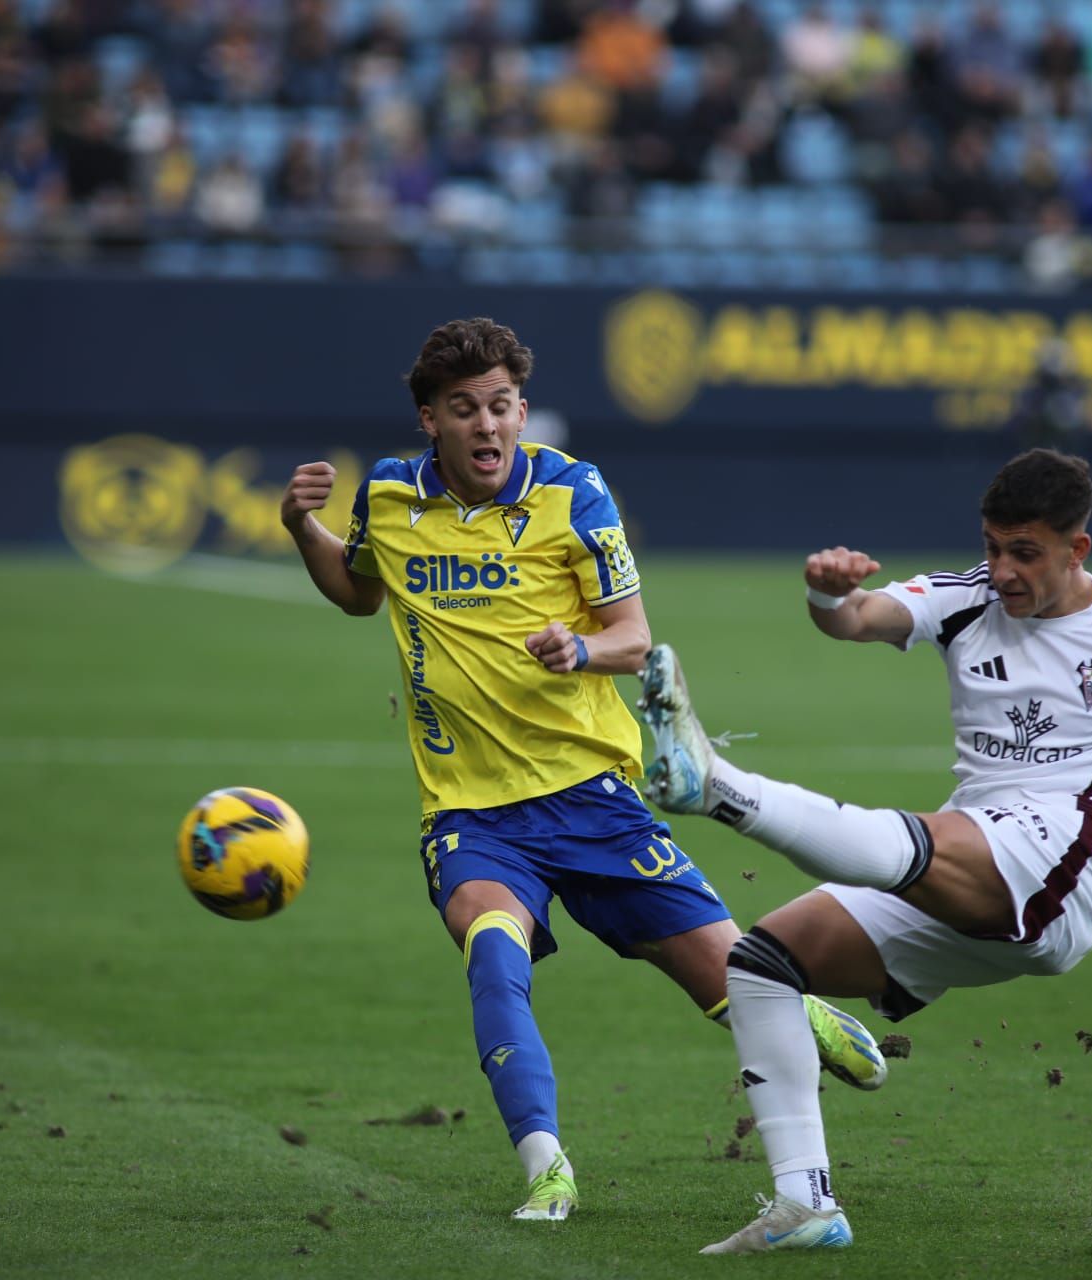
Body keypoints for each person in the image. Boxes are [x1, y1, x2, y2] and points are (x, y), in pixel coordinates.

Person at [277, 317, 887, 1222]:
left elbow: (634, 636)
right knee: (493, 955)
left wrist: (580, 651)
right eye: (463, 410)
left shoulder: (572, 490)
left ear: (522, 410)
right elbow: (359, 593)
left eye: (500, 407)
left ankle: (804, 1016)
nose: (486, 427)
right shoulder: (391, 495)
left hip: (594, 795)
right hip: (471, 813)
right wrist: (302, 528)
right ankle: (546, 1165)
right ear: (428, 420)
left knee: (733, 986)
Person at [636, 448, 1092, 1253]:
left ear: (1076, 549)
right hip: (967, 852)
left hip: (1060, 868)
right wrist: (827, 591)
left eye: (1025, 552)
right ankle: (804, 1204)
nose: (1003, 570)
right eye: (992, 546)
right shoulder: (964, 599)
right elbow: (856, 619)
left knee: (915, 845)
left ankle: (718, 788)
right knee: (760, 964)